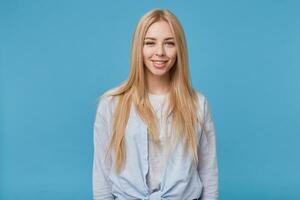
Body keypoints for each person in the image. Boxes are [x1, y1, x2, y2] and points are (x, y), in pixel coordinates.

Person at [93, 8, 218, 200]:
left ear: (179, 49)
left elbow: (208, 175)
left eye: (169, 43)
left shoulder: (198, 104)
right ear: (139, 48)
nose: (159, 52)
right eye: (150, 43)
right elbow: (102, 177)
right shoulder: (111, 104)